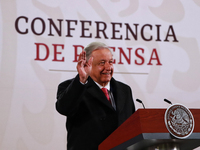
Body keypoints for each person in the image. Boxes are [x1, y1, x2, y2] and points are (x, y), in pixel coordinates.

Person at [56, 42, 135, 150]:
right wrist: (81, 80)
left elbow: (132, 126)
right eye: (102, 63)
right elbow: (64, 108)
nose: (108, 67)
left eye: (110, 62)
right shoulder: (74, 87)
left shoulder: (125, 90)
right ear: (87, 65)